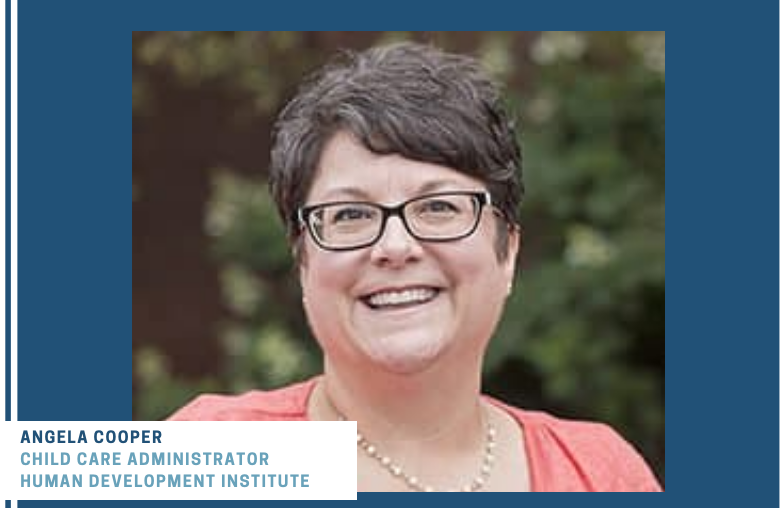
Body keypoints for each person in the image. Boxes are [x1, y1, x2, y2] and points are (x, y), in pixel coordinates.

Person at [168, 41, 662, 492]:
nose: (396, 246)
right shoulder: (210, 456)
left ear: (507, 252)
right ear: (303, 261)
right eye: (351, 215)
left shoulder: (599, 472)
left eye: (439, 208)